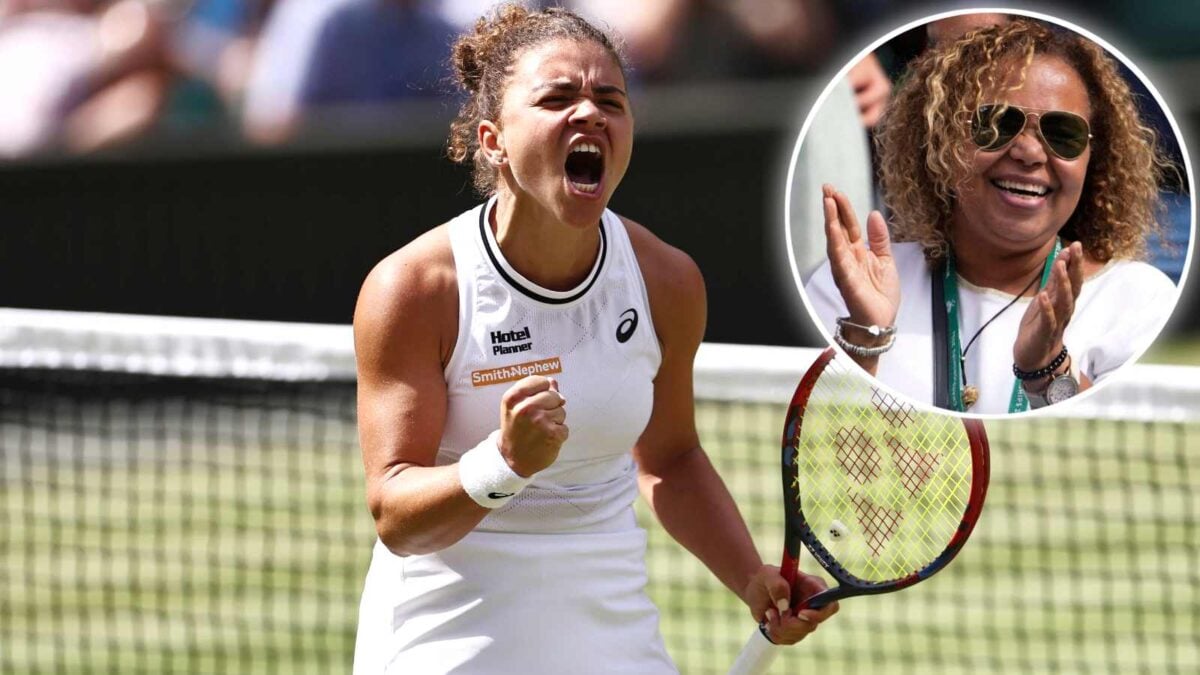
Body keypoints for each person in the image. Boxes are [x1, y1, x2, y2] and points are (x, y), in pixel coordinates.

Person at [351, 5, 837, 673]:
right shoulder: (414, 289)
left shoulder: (666, 281)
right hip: (447, 638)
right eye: (557, 97)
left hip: (612, 638)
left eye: (611, 99)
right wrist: (505, 463)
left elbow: (670, 457)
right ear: (492, 139)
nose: (590, 114)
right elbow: (395, 514)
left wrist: (752, 578)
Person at [804, 18, 1179, 414]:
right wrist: (864, 338)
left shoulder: (1136, 300)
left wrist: (1047, 368)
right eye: (998, 123)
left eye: (1063, 134)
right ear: (941, 138)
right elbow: (817, 446)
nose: (1030, 153)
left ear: (1092, 160)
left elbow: (1123, 457)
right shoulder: (851, 285)